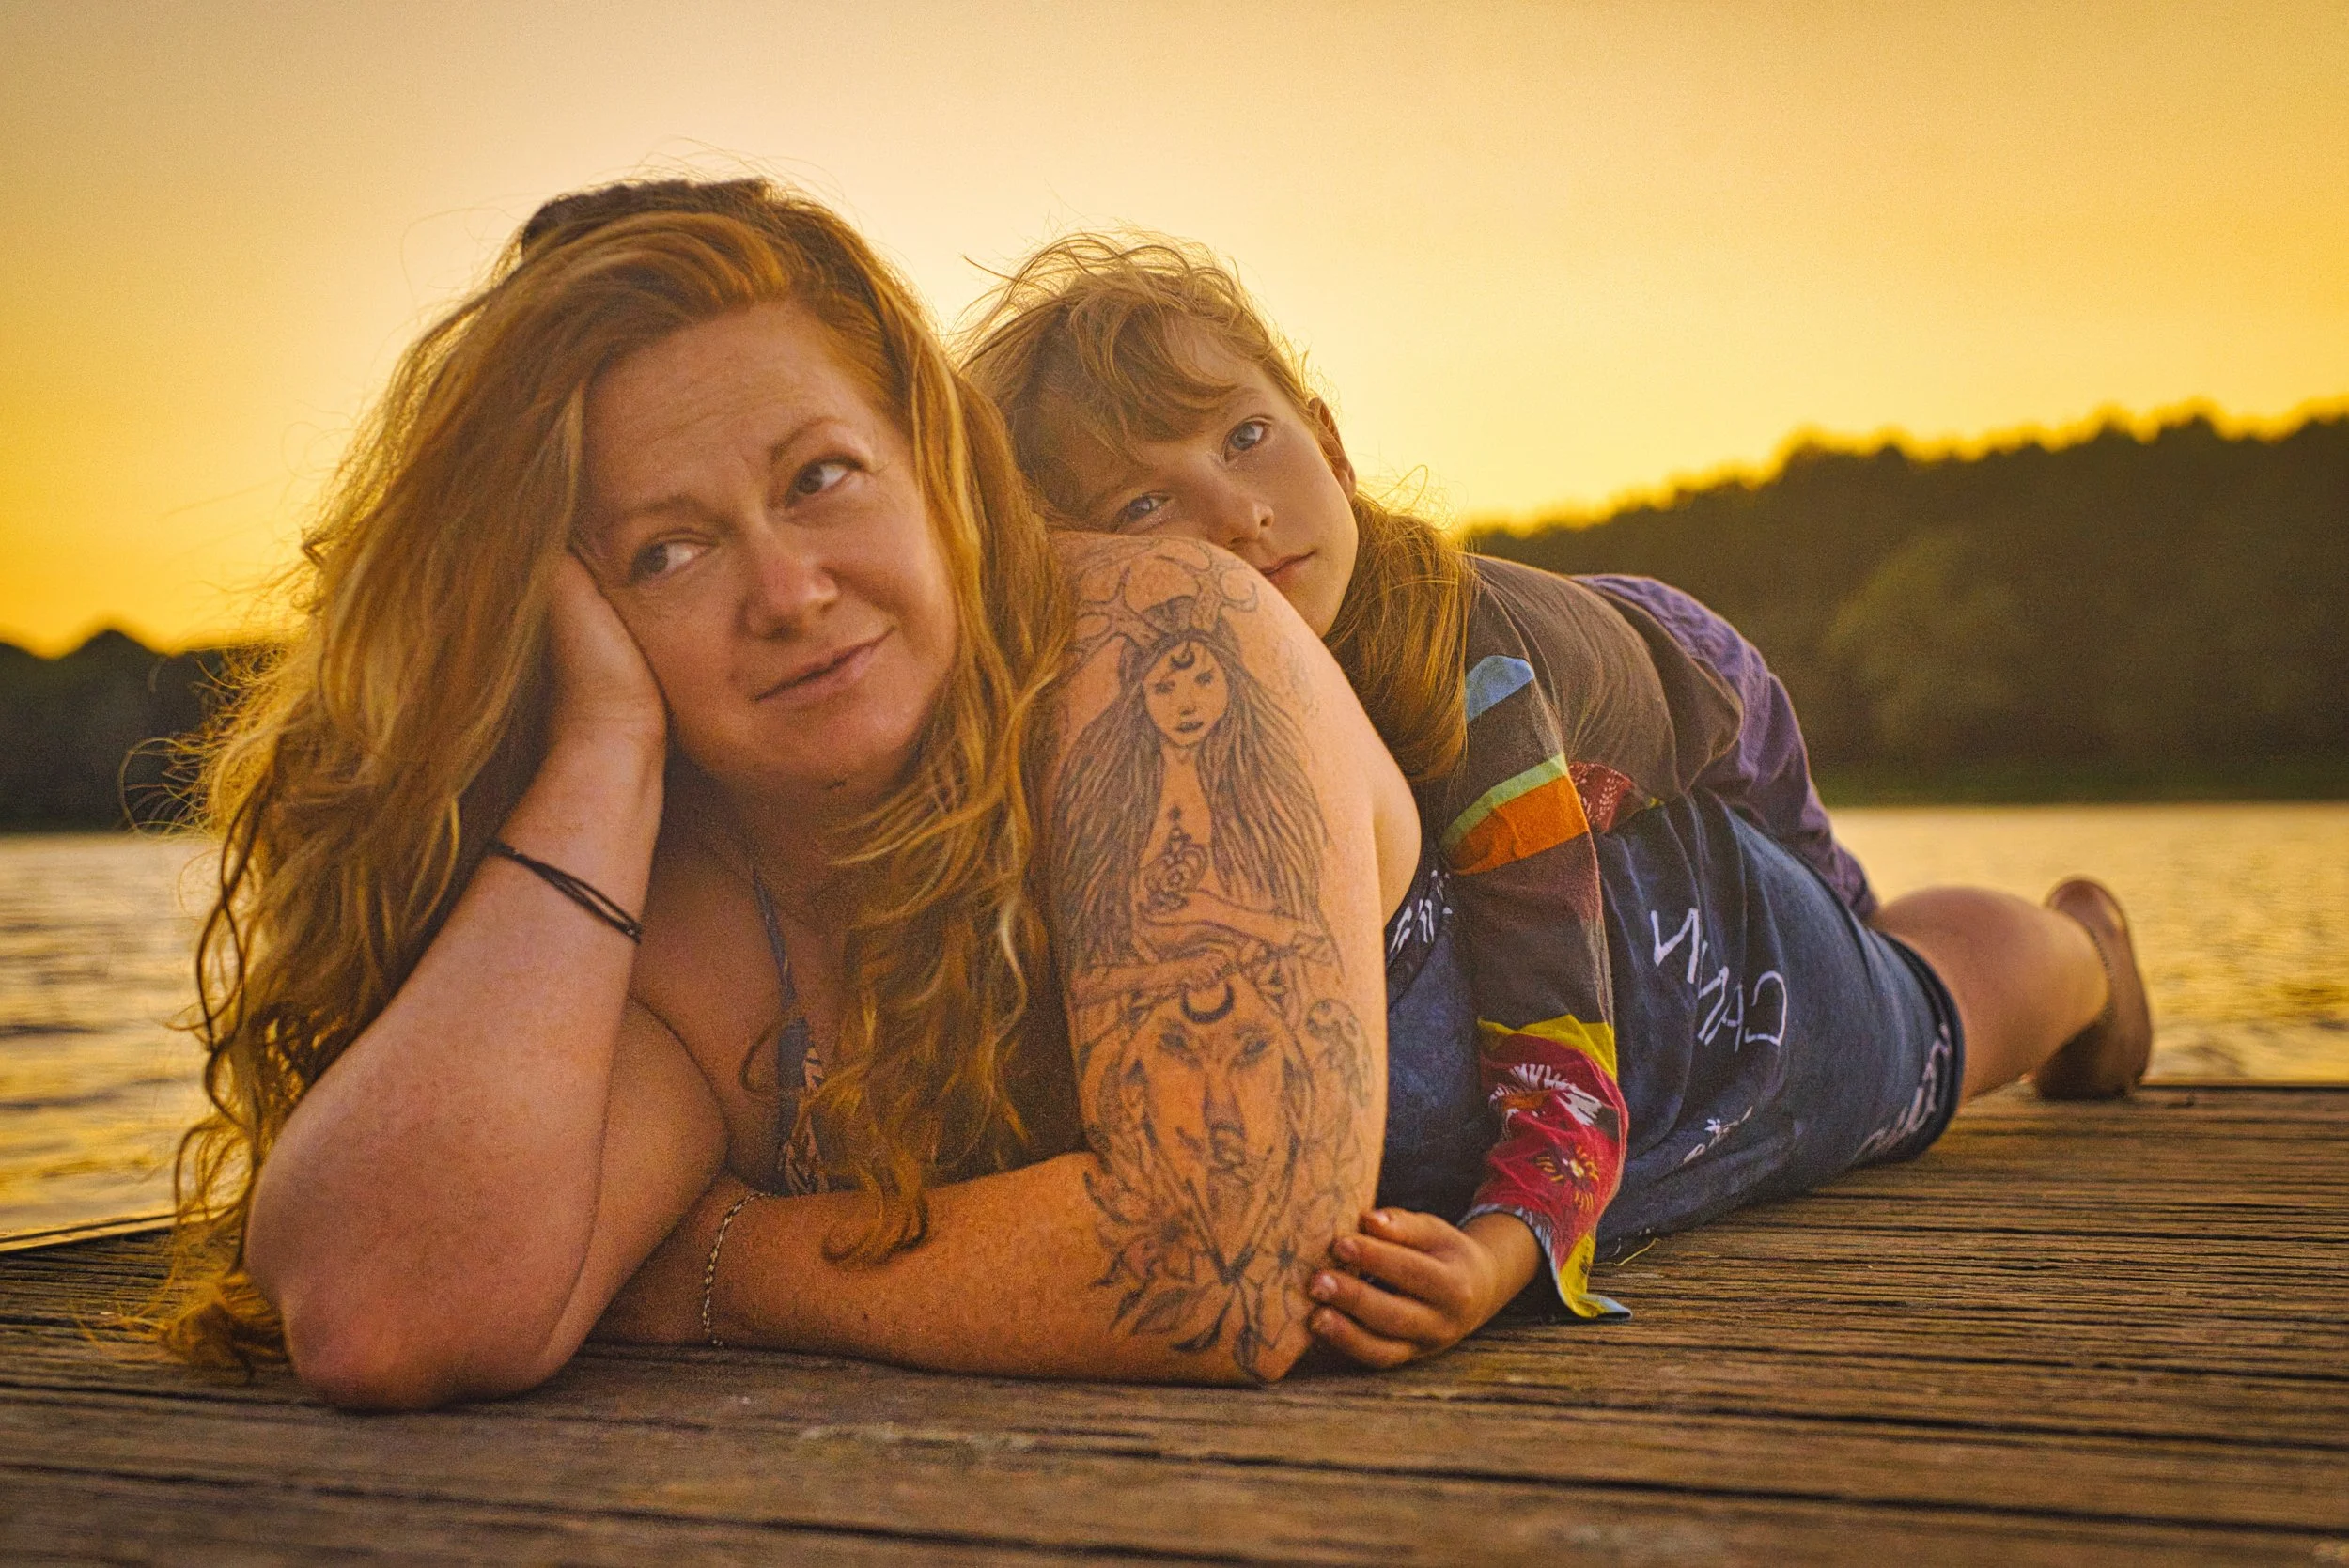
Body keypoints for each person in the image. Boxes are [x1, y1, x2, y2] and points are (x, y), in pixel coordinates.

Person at [155, 179, 1432, 1405]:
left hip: (1615, 899)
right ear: (574, 608)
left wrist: (722, 1264)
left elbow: (1233, 1261)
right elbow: (383, 1312)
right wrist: (603, 749)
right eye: (667, 550)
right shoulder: (683, 913)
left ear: (932, 460)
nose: (787, 592)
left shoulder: (1161, 638)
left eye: (819, 478)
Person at [958, 234, 2153, 1368]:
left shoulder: (1477, 686)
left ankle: (2083, 950)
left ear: (1329, 444)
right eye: (1140, 507)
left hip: (1678, 677)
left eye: (1247, 436)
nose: (1234, 512)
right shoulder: (1162, 721)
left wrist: (1499, 1252)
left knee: (1868, 946)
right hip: (1570, 728)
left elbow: (1550, 988)